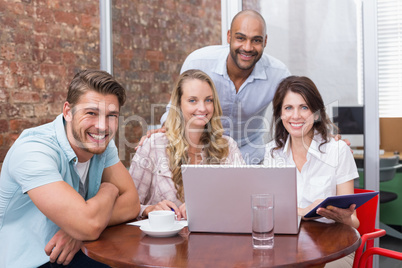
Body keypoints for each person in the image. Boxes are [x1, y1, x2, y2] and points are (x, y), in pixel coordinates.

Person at [0, 70, 140, 267]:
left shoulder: (101, 143)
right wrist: (110, 189)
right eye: (91, 113)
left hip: (76, 252)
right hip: (33, 261)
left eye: (111, 115)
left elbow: (132, 203)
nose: (102, 126)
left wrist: (77, 232)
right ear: (68, 111)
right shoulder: (33, 151)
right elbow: (89, 225)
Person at [144, 10, 290, 165]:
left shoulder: (278, 74)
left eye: (256, 40)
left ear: (265, 41)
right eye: (240, 38)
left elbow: (293, 114)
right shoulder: (199, 62)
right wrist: (161, 136)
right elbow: (175, 109)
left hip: (251, 156)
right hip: (201, 153)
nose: (247, 47)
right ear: (229, 36)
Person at [263, 76, 359, 267]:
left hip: (333, 246)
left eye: (304, 107)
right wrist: (303, 212)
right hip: (286, 246)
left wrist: (344, 218)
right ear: (280, 114)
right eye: (288, 108)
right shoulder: (271, 153)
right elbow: (265, 212)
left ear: (316, 114)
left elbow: (354, 222)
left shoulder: (337, 150)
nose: (295, 116)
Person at [129, 69, 245, 220]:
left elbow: (243, 201)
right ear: (178, 104)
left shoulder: (228, 147)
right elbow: (128, 205)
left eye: (208, 100)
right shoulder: (154, 145)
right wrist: (149, 209)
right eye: (193, 100)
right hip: (164, 240)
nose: (202, 108)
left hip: (213, 239)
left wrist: (205, 206)